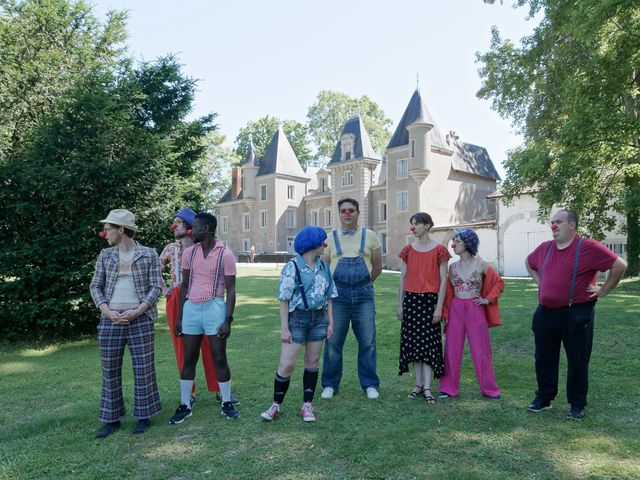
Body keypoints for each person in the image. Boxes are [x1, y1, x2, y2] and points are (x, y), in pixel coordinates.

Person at [526, 209, 627, 420]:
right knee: (543, 358)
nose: (553, 226)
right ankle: (544, 398)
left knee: (578, 359)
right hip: (545, 312)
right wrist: (540, 282)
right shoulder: (545, 248)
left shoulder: (588, 247)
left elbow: (619, 265)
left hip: (577, 312)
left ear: (572, 225)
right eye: (552, 222)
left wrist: (605, 290)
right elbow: (529, 262)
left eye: (559, 222)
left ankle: (577, 404)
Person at [90, 209, 163, 438]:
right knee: (109, 370)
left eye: (108, 228)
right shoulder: (105, 255)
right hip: (110, 319)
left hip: (140, 319)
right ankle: (111, 419)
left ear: (121, 230)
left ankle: (143, 416)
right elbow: (95, 286)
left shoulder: (149, 254)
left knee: (143, 369)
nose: (105, 233)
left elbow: (156, 286)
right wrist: (108, 312)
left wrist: (138, 311)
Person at [261, 226, 337, 422]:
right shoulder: (292, 267)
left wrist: (330, 322)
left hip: (319, 320)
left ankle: (307, 405)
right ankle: (275, 405)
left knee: (312, 362)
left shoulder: (324, 267)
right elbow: (283, 299)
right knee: (286, 364)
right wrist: (285, 328)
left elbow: (330, 297)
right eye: (322, 241)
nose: (325, 244)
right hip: (297, 320)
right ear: (314, 243)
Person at [169, 212, 240, 423]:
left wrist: (228, 319)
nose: (192, 230)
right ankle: (185, 404)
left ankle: (226, 402)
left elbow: (231, 289)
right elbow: (184, 287)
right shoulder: (189, 253)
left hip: (215, 307)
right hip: (192, 308)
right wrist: (180, 318)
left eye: (196, 227)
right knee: (189, 358)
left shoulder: (225, 254)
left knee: (219, 357)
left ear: (207, 229)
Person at [321, 197, 383, 400]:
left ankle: (370, 384)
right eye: (343, 211)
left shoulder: (371, 236)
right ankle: (330, 384)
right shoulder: (329, 239)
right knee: (333, 341)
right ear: (339, 214)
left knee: (367, 341)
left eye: (351, 210)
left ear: (358, 213)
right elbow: (323, 268)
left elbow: (377, 267)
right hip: (337, 296)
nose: (347, 214)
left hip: (363, 296)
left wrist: (364, 283)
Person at [440, 228, 503, 400]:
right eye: (454, 241)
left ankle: (489, 389)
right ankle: (448, 387)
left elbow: (498, 283)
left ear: (468, 243)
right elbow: (448, 294)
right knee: (451, 349)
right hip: (456, 309)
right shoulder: (452, 267)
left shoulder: (482, 265)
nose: (453, 245)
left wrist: (488, 299)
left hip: (475, 309)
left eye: (458, 241)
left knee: (481, 350)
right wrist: (445, 313)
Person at [397, 212, 450, 404]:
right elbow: (402, 278)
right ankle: (418, 385)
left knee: (429, 345)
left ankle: (428, 387)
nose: (413, 227)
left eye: (417, 224)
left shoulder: (439, 250)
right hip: (411, 301)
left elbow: (444, 279)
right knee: (414, 345)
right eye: (412, 224)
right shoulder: (408, 250)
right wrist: (400, 304)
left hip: (430, 302)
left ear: (427, 225)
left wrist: (438, 308)